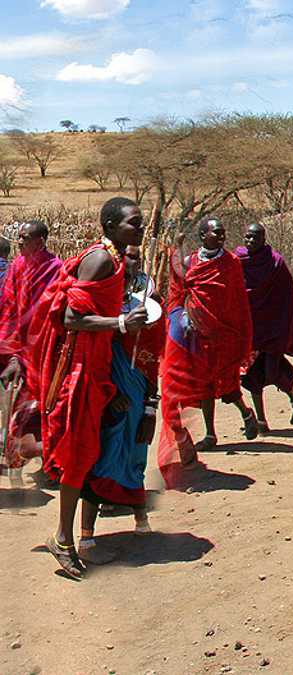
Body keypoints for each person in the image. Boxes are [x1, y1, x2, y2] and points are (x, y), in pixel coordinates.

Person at [30, 197, 149, 579]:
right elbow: (71, 317)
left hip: (96, 362)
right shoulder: (100, 260)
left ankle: (68, 537)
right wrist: (119, 323)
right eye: (133, 223)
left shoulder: (116, 261)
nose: (140, 228)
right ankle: (64, 539)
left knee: (86, 452)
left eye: (142, 222)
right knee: (79, 451)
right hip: (79, 366)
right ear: (111, 226)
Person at [80, 245, 165, 563]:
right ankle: (86, 538)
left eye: (136, 259)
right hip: (104, 393)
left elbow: (153, 360)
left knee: (135, 453)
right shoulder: (102, 298)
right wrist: (109, 392)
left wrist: (150, 408)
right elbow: (91, 347)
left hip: (138, 395)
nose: (130, 264)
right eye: (125, 258)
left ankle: (140, 519)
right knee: (98, 458)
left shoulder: (152, 304)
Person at [158, 218, 257, 487]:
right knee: (204, 386)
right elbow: (179, 280)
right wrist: (175, 247)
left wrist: (233, 328)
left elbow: (235, 299)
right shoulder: (192, 261)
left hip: (222, 332)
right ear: (203, 236)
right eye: (216, 233)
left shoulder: (230, 263)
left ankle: (246, 412)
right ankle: (211, 434)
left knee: (225, 381)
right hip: (196, 333)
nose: (222, 236)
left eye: (223, 233)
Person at [0, 221, 63, 472]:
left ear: (40, 241)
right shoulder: (17, 267)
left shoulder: (56, 268)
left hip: (48, 348)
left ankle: (52, 461)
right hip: (21, 349)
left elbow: (57, 309)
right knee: (18, 406)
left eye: (25, 238)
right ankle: (16, 454)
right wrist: (11, 351)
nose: (20, 242)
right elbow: (10, 308)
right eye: (19, 237)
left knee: (48, 405)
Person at [237, 224, 293, 433]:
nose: (251, 241)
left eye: (255, 237)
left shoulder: (275, 262)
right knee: (251, 376)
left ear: (264, 238)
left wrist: (286, 326)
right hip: (250, 327)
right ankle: (261, 421)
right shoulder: (238, 260)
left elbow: (287, 296)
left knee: (273, 372)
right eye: (248, 237)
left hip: (272, 328)